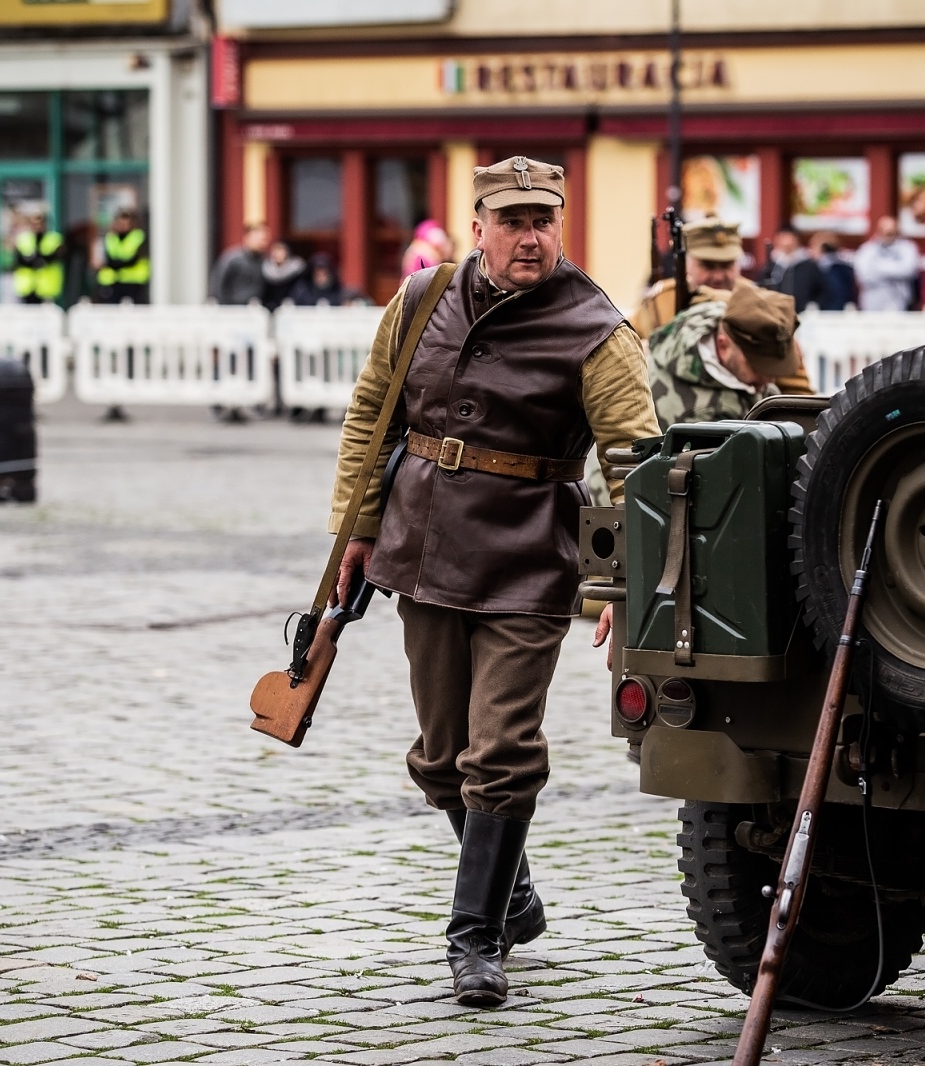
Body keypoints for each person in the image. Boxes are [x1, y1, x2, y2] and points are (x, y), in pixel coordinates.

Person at [328, 156, 658, 1007]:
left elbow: (634, 465)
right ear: (478, 227)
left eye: (543, 220)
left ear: (560, 223)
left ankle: (475, 938)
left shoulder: (596, 327)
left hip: (528, 560)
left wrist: (620, 585)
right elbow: (373, 415)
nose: (529, 237)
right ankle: (512, 895)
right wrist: (356, 531)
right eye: (512, 221)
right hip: (423, 549)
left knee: (502, 751)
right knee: (441, 760)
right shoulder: (422, 298)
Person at [647, 285, 811, 432]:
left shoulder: (716, 314)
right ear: (723, 345)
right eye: (756, 367)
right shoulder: (705, 418)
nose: (769, 379)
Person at [631, 217, 753, 338]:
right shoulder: (661, 302)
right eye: (708, 266)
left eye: (726, 265)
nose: (718, 277)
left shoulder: (754, 301)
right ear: (686, 264)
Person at [852, 215, 919, 311]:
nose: (889, 235)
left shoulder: (907, 247)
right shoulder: (867, 249)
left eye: (892, 232)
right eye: (885, 232)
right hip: (873, 297)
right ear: (879, 231)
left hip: (898, 298)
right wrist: (895, 268)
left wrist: (877, 267)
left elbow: (908, 270)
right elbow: (863, 275)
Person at [758, 226, 823, 311]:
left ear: (797, 240)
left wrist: (814, 305)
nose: (786, 243)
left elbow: (821, 289)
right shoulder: (770, 266)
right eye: (782, 238)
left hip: (803, 312)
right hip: (775, 312)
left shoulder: (809, 266)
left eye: (789, 239)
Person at [96, 208, 150, 305]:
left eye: (126, 224)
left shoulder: (138, 237)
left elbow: (134, 260)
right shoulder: (111, 238)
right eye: (120, 223)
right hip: (113, 282)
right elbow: (107, 259)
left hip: (134, 282)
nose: (122, 226)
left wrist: (116, 264)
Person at [209, 223, 269, 306]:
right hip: (232, 308)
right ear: (247, 237)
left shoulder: (265, 262)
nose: (261, 242)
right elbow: (218, 283)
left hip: (255, 308)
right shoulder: (232, 259)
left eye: (264, 240)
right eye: (258, 238)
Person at [11, 210, 64, 305]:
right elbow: (18, 260)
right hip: (27, 289)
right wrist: (34, 261)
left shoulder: (54, 239)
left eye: (40, 223)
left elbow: (55, 257)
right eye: (34, 223)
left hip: (47, 289)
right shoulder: (23, 239)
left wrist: (36, 260)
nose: (37, 226)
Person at [289, 252, 365, 307]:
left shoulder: (339, 291)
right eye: (317, 274)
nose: (321, 277)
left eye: (324, 274)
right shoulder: (302, 292)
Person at [810, 230, 857, 311]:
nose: (811, 251)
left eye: (813, 247)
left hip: (834, 312)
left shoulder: (840, 271)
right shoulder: (811, 269)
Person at [260, 239, 306, 310]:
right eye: (276, 252)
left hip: (291, 307)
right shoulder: (266, 269)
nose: (278, 255)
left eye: (281, 251)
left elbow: (299, 290)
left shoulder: (296, 270)